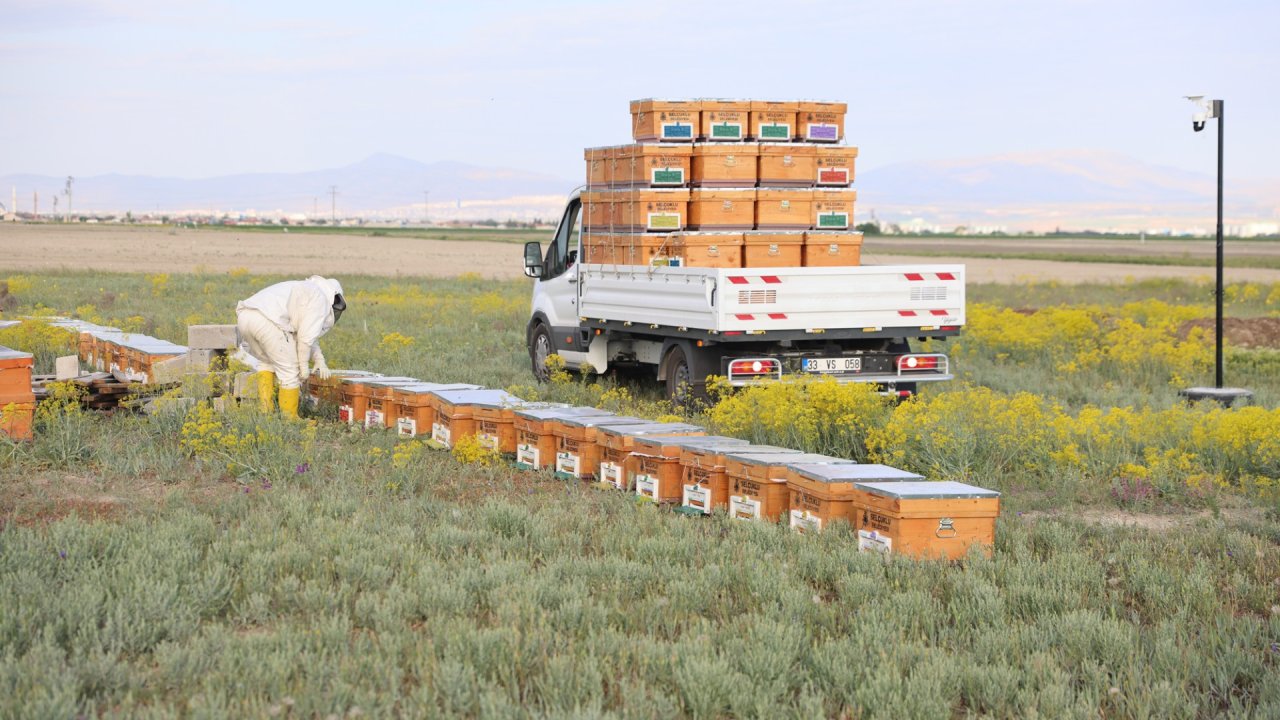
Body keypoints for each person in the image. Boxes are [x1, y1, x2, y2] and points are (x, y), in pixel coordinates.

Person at [236, 276, 345, 418]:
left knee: (267, 362)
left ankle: (266, 411)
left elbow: (307, 333)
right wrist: (303, 368)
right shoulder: (320, 300)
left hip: (245, 317)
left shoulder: (307, 290)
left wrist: (319, 360)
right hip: (267, 322)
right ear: (334, 297)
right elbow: (306, 338)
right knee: (289, 372)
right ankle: (290, 418)